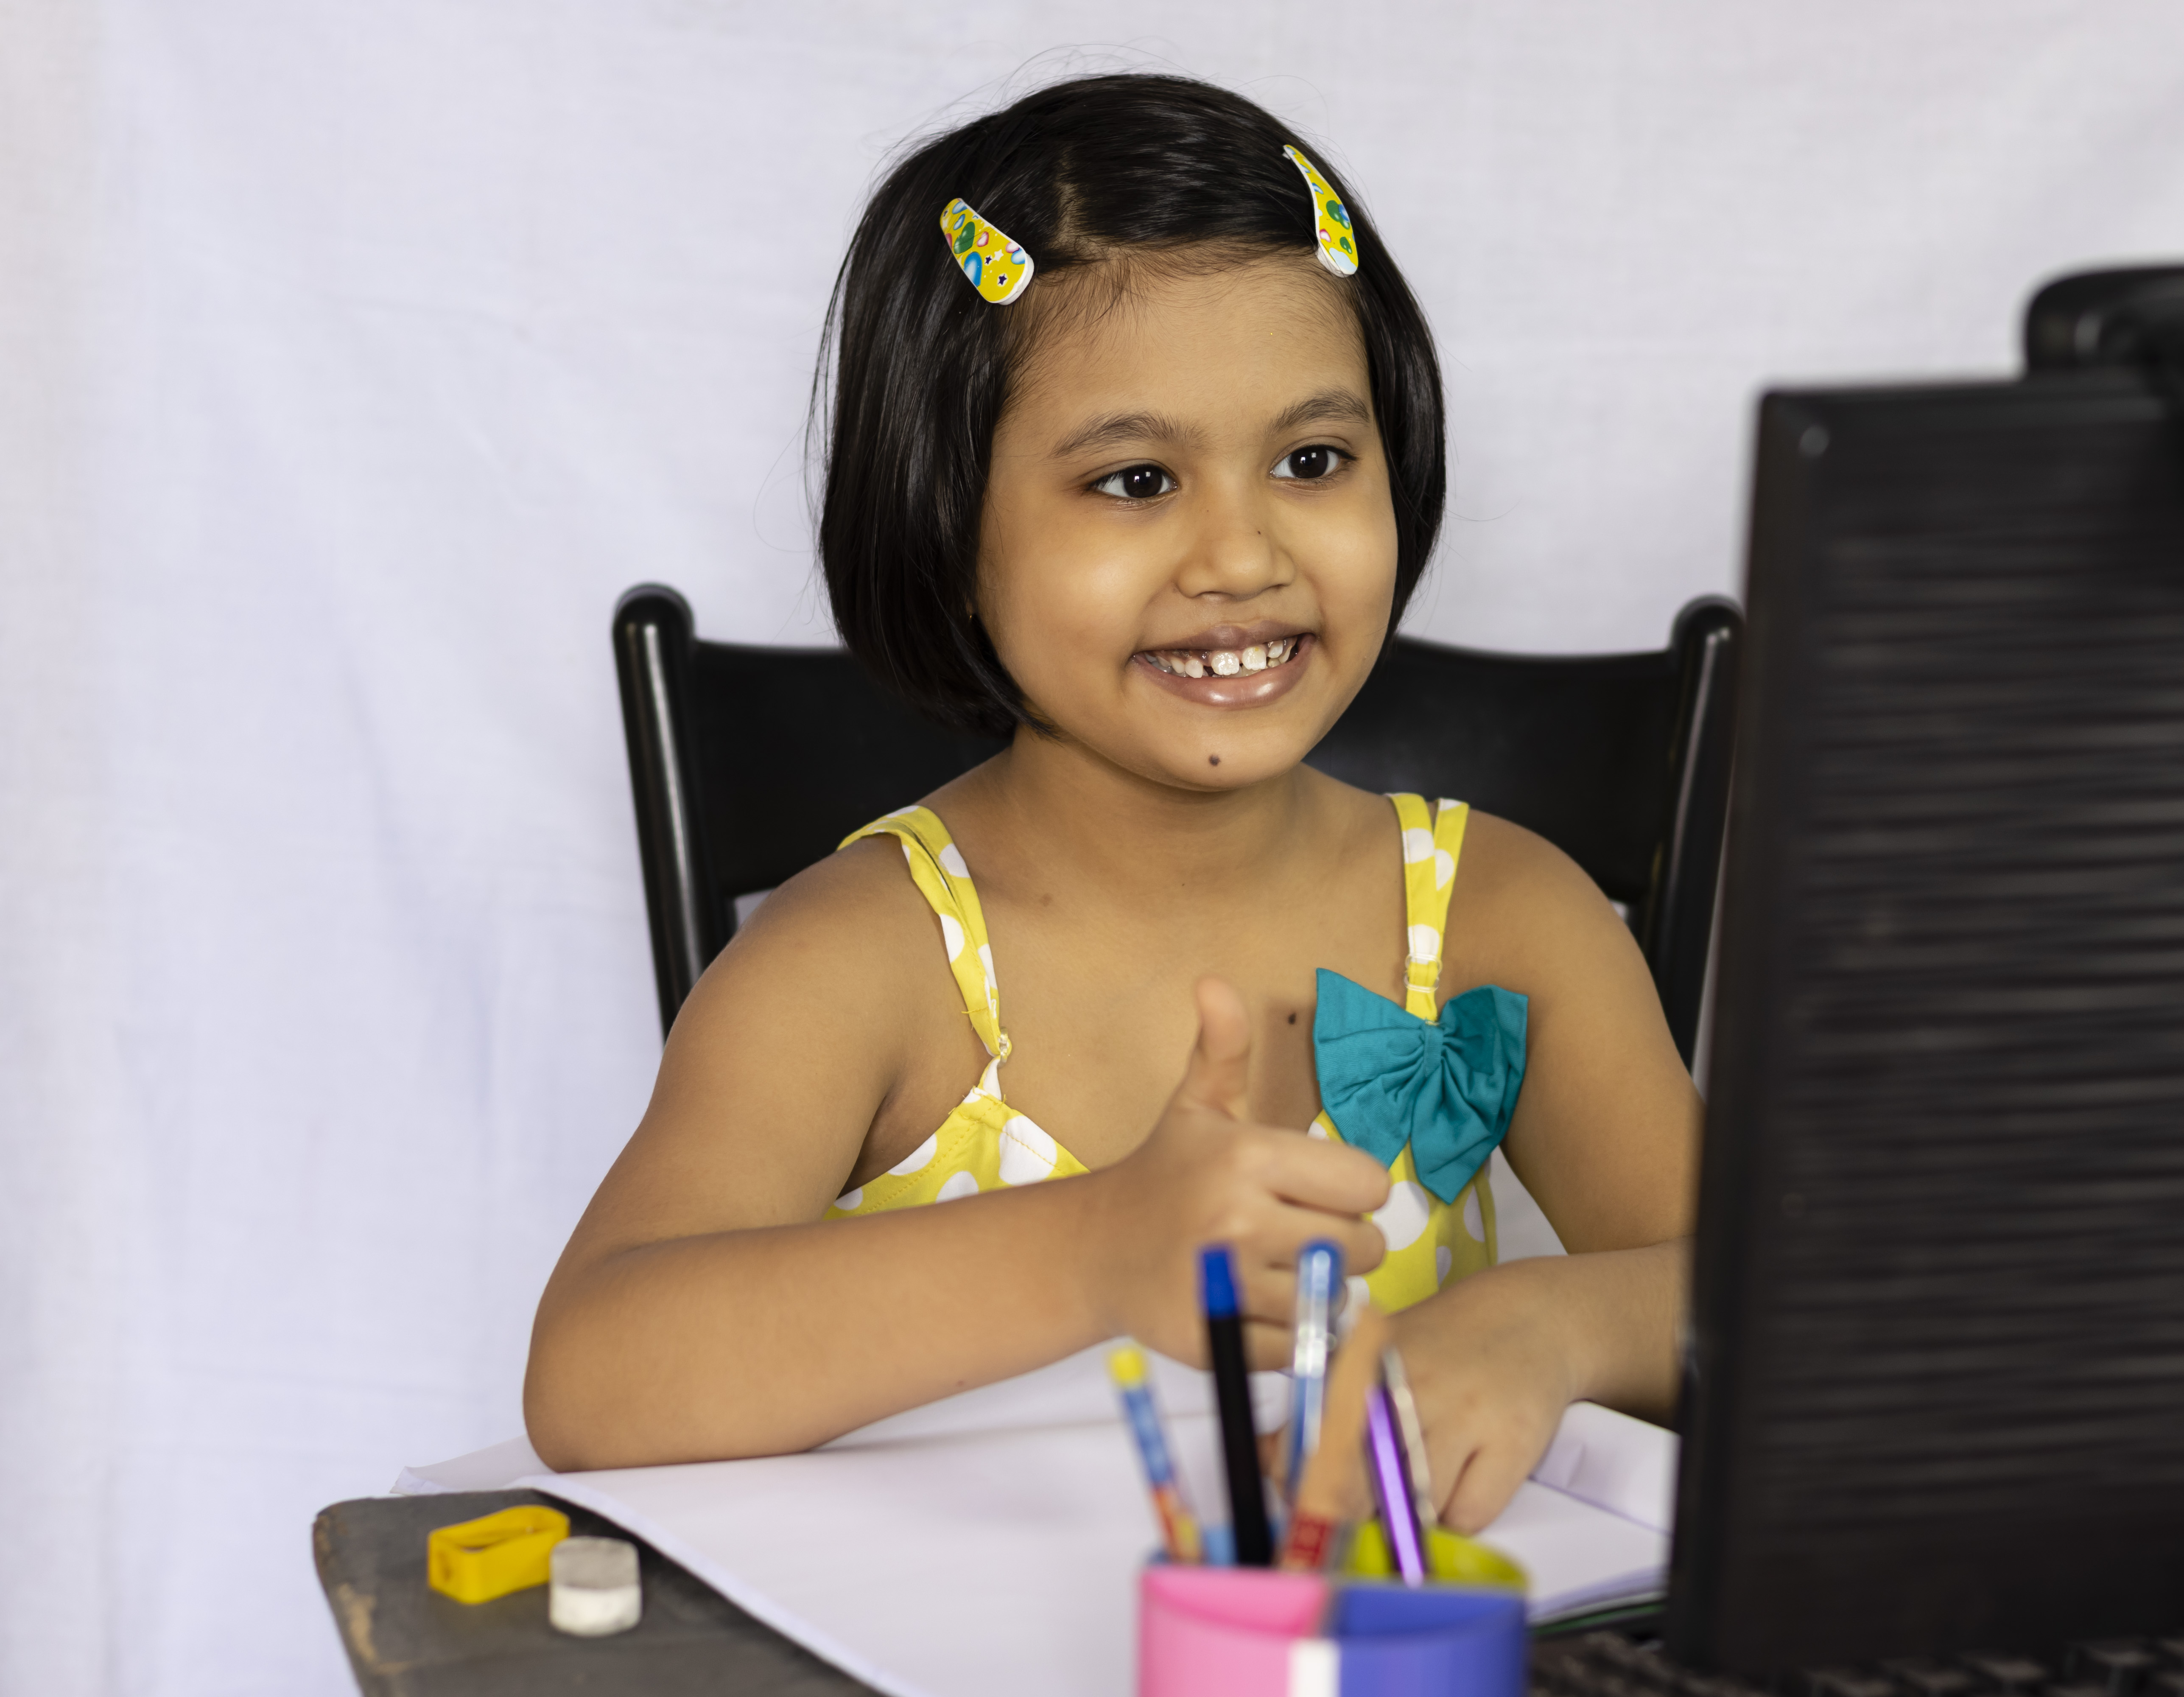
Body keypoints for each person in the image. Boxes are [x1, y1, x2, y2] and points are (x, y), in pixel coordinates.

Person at [524, 72, 1698, 1535]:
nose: (1241, 552)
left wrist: (1552, 1324)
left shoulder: (1502, 916)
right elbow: (591, 1380)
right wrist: (1095, 1249)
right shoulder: (861, 963)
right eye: (1135, 479)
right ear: (947, 530)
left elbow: (1771, 1308)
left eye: (1313, 461)